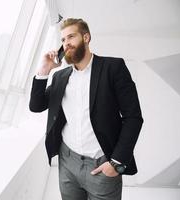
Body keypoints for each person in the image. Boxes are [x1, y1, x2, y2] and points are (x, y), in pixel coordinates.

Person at [29, 18, 143, 200]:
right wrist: (44, 70)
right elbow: (36, 106)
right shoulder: (60, 76)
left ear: (86, 37)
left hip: (102, 165)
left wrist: (116, 163)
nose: (66, 43)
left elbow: (133, 117)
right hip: (67, 162)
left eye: (71, 37)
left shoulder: (113, 68)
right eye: (63, 40)